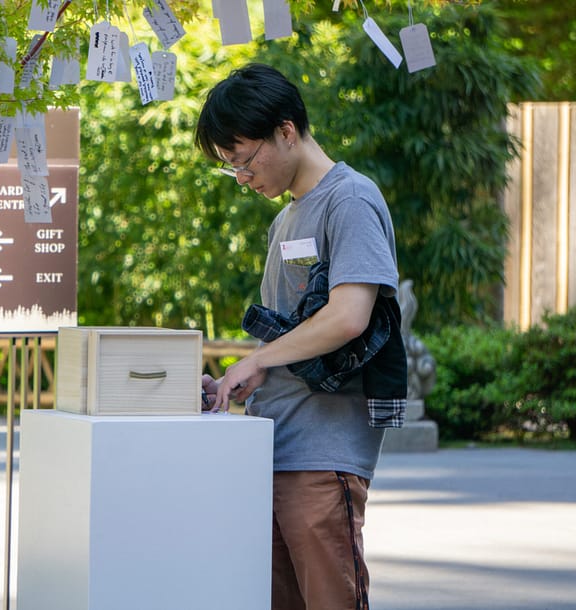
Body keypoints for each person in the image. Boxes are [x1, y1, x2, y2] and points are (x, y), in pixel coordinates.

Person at [195, 63, 403, 610]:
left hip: (323, 452)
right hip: (273, 446)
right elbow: (292, 336)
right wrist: (236, 376)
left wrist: (256, 362)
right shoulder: (285, 219)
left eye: (242, 160)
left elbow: (348, 316)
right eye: (229, 168)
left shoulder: (350, 199)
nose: (241, 177)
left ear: (286, 130)